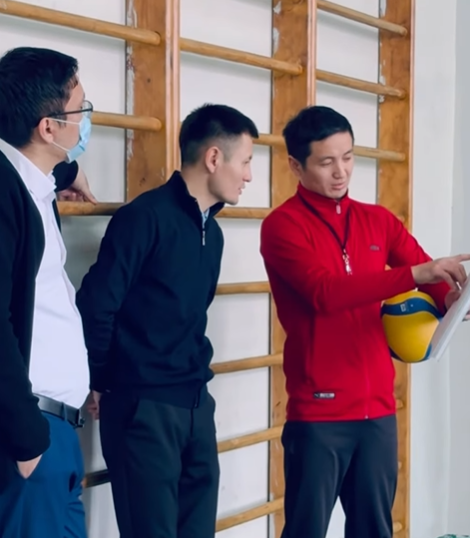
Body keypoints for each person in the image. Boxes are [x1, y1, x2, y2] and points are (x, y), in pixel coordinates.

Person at [259, 105, 470, 538]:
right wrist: (417, 274)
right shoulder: (282, 226)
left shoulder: (378, 221)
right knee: (305, 532)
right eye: (326, 162)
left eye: (348, 157)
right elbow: (325, 293)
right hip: (319, 414)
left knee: (375, 531)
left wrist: (455, 301)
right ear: (296, 166)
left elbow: (433, 279)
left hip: (378, 413)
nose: (341, 172)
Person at [76, 103, 259, 538]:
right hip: (142, 408)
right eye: (246, 162)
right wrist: (100, 379)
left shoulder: (213, 234)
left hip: (195, 404)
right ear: (213, 158)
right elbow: (96, 306)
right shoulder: (144, 218)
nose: (249, 176)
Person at [0, 47, 96, 538]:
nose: (87, 120)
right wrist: (27, 440)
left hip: (59, 430)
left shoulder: (33, 181)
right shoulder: (5, 191)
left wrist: (69, 172)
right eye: (81, 109)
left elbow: (47, 171)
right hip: (30, 438)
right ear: (48, 128)